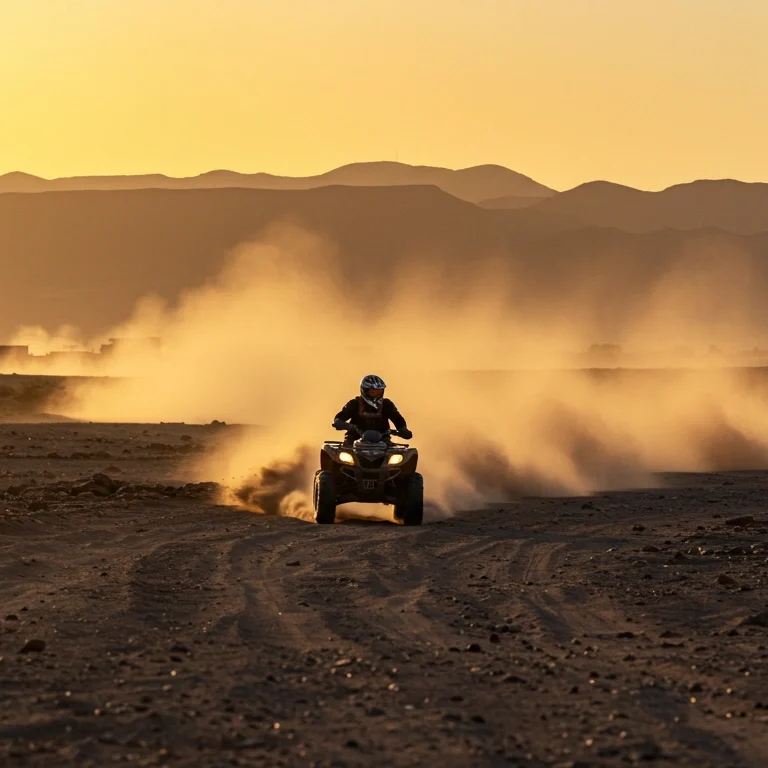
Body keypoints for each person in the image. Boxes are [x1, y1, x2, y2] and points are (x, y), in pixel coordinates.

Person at [332, 374, 413, 444]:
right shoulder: (354, 403)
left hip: (383, 441)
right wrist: (343, 424)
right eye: (373, 392)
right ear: (364, 391)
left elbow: (398, 419)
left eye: (379, 392)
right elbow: (339, 418)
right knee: (337, 455)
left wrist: (403, 430)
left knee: (403, 456)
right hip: (354, 440)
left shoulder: (387, 404)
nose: (376, 395)